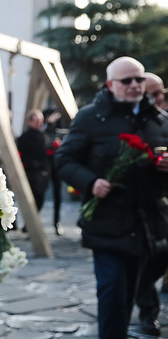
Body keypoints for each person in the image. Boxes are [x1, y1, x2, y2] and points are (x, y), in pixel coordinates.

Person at [55, 57, 168, 339]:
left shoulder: (158, 120)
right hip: (108, 225)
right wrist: (90, 182)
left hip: (149, 226)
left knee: (133, 291)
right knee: (114, 297)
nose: (134, 85)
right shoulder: (90, 117)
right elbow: (64, 160)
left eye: (139, 79)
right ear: (110, 84)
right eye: (126, 80)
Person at [133, 71, 168, 336]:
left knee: (159, 257)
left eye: (161, 93)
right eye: (153, 93)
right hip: (132, 206)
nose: (158, 98)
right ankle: (148, 313)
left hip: (161, 204)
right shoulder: (126, 120)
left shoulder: (164, 121)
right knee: (142, 260)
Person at [17, 109, 49, 215]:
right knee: (31, 200)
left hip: (41, 172)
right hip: (29, 173)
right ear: (30, 122)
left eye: (41, 121)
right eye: (37, 121)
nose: (39, 123)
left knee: (40, 199)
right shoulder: (24, 138)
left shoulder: (43, 136)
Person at [42, 108, 64, 235]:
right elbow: (41, 135)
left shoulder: (58, 130)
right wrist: (48, 123)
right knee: (38, 195)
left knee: (57, 195)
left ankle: (56, 222)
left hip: (55, 166)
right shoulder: (44, 129)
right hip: (44, 166)